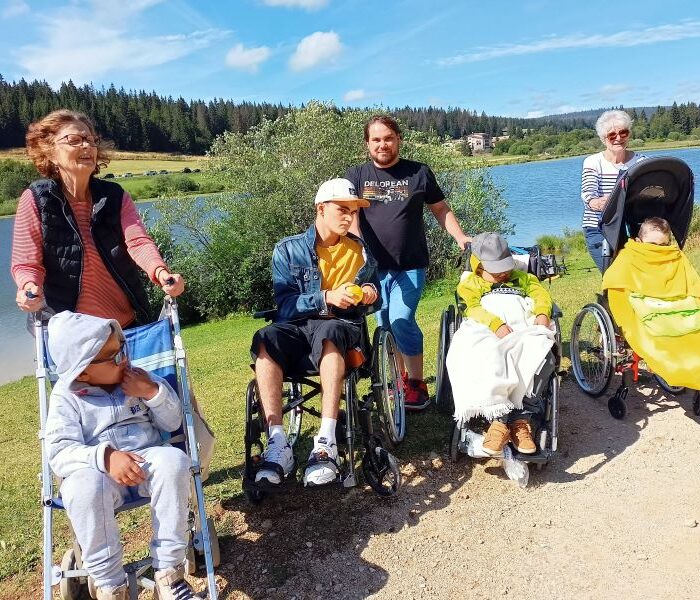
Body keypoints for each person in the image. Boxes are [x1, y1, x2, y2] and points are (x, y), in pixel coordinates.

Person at [45, 311, 195, 600]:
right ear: (83, 370)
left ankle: (169, 574)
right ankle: (110, 586)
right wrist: (105, 457)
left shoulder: (139, 378)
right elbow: (60, 452)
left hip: (146, 459)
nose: (124, 358)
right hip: (99, 474)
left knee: (174, 461)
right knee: (80, 486)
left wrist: (152, 392)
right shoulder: (67, 397)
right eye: (114, 357)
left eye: (123, 348)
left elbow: (173, 422)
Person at [251, 178, 381, 487]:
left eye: (353, 210)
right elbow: (284, 305)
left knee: (331, 331)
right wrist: (325, 297)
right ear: (320, 209)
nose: (349, 216)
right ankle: (278, 443)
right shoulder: (287, 249)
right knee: (265, 338)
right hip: (297, 327)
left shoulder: (361, 252)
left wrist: (370, 291)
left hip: (341, 328)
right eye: (342, 209)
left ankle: (326, 442)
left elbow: (373, 295)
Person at [11, 109, 184, 327]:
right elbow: (26, 262)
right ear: (50, 152)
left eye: (90, 141)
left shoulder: (115, 195)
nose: (86, 146)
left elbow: (138, 242)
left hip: (127, 325)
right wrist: (28, 287)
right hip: (71, 335)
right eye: (74, 140)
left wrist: (161, 272)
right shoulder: (36, 199)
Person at [346, 115, 471, 410]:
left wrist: (461, 237)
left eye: (388, 138)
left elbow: (440, 209)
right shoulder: (356, 176)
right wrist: (355, 253)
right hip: (373, 269)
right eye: (375, 140)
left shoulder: (418, 173)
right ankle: (400, 380)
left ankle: (417, 384)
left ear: (398, 139)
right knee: (385, 325)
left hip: (410, 264)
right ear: (367, 144)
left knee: (402, 319)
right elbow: (351, 220)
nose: (382, 144)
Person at [446, 232, 555, 456]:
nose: (503, 274)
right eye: (495, 272)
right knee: (482, 352)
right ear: (480, 267)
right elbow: (473, 309)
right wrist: (496, 324)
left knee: (538, 352)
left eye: (505, 268)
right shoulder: (471, 283)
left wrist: (542, 314)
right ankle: (500, 420)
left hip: (522, 325)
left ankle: (520, 421)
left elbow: (541, 297)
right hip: (487, 327)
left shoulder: (525, 279)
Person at [581, 109, 645, 272]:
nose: (618, 138)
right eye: (612, 135)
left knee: (638, 272)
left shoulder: (642, 161)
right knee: (612, 272)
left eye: (623, 133)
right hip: (599, 227)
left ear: (629, 134)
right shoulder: (593, 162)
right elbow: (589, 195)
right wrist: (597, 202)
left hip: (633, 225)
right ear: (604, 139)